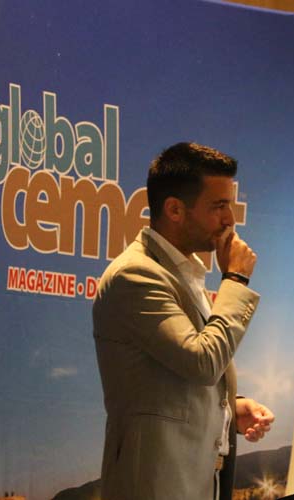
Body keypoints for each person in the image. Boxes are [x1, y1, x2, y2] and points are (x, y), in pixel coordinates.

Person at [93, 142, 274, 500]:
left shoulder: (184, 272)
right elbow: (202, 362)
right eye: (218, 206)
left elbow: (177, 380)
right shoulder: (136, 275)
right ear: (175, 209)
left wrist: (228, 410)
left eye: (230, 205)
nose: (230, 219)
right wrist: (235, 280)